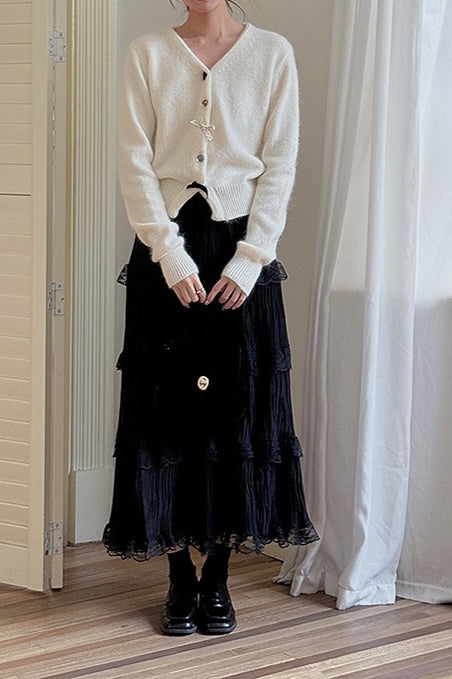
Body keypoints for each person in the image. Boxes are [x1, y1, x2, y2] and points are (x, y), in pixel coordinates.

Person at [103, 0, 319, 636]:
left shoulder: (272, 53)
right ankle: (177, 577)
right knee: (162, 408)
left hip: (241, 249)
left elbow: (280, 163)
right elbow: (134, 159)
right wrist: (167, 253)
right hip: (166, 247)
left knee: (240, 410)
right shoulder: (148, 53)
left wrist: (252, 259)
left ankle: (218, 577)